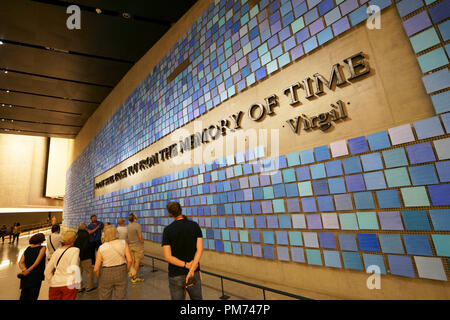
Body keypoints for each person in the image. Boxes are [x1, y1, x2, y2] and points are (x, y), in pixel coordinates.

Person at [162, 201, 204, 300]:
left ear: (170, 213)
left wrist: (186, 265)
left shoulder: (168, 230)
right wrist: (192, 268)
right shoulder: (194, 225)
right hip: (194, 272)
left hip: (175, 273)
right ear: (181, 210)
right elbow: (200, 249)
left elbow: (168, 257)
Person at [94, 226, 132, 300]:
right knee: (121, 296)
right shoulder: (123, 243)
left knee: (104, 296)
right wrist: (126, 270)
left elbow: (96, 269)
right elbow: (130, 260)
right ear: (116, 233)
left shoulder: (101, 248)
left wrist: (100, 277)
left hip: (106, 273)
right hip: (121, 271)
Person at [44, 231, 81, 300]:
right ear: (74, 240)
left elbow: (47, 271)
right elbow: (74, 268)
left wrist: (52, 281)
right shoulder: (75, 250)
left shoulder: (56, 251)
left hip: (55, 285)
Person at [17, 233, 46, 300]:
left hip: (25, 276)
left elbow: (20, 262)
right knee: (33, 295)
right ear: (41, 240)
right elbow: (36, 263)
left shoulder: (28, 248)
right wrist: (28, 271)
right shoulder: (42, 248)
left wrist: (24, 270)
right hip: (36, 275)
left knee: (24, 295)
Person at [74, 222, 95, 293]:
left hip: (77, 257)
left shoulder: (75, 235)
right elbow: (87, 245)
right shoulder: (87, 235)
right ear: (84, 227)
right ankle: (89, 287)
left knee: (79, 272)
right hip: (86, 256)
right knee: (88, 272)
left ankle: (80, 287)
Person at [127, 213, 144, 283]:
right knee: (137, 261)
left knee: (133, 261)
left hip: (130, 245)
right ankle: (135, 277)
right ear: (134, 218)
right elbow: (140, 236)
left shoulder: (128, 226)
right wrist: (142, 241)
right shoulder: (137, 225)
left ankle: (133, 276)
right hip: (137, 245)